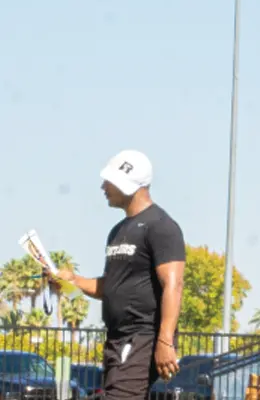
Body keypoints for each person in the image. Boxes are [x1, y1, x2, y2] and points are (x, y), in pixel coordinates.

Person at [51, 151, 186, 400]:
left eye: (109, 181)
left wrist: (165, 341)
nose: (103, 186)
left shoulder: (161, 226)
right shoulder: (117, 231)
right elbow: (110, 286)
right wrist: (73, 281)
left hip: (141, 336)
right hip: (117, 338)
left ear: (129, 185)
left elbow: (174, 284)